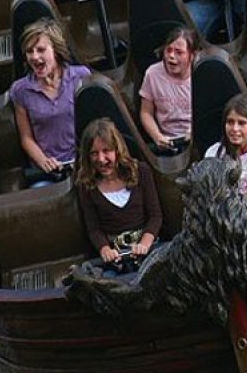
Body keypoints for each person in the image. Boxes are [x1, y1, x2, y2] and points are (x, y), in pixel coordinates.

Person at [10, 19, 91, 186]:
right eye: (29, 51)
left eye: (40, 50)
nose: (34, 57)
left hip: (84, 162)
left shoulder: (81, 77)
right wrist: (44, 161)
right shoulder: (21, 91)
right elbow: (26, 138)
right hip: (48, 171)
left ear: (56, 50)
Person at [76, 118, 163, 263]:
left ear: (117, 150)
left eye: (106, 151)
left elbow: (155, 216)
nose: (101, 159)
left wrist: (145, 244)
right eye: (94, 153)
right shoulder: (86, 185)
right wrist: (105, 250)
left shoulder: (141, 171)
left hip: (147, 248)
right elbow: (94, 229)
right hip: (115, 257)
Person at [139, 26, 200, 150]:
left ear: (192, 55)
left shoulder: (200, 73)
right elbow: (146, 112)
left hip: (195, 138)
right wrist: (157, 136)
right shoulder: (152, 74)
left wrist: (195, 131)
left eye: (179, 52)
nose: (171, 56)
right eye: (169, 50)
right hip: (166, 141)